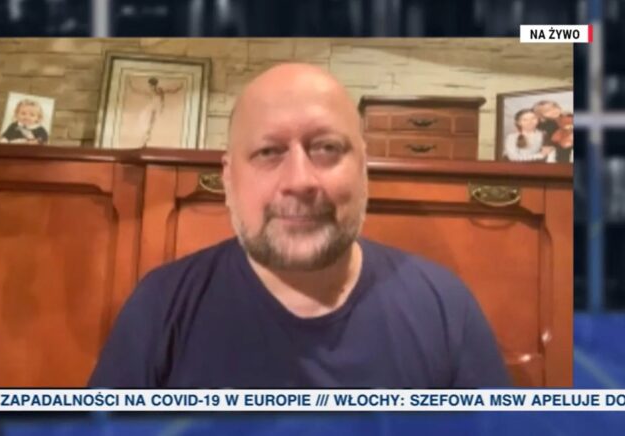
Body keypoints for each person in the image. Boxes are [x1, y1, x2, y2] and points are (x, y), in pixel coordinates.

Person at [89, 63, 511, 388]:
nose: (300, 181)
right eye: (269, 152)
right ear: (228, 178)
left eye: (326, 148)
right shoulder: (160, 307)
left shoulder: (444, 308)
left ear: (364, 169)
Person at [127, 76, 184, 147]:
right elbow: (138, 91)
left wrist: (179, 88)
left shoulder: (160, 90)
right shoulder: (150, 91)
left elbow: (171, 91)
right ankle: (146, 138)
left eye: (151, 85)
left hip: (157, 108)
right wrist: (131, 86)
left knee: (151, 122)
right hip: (152, 108)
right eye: (150, 86)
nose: (150, 87)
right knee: (148, 122)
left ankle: (147, 137)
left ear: (155, 85)